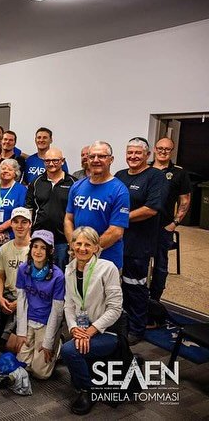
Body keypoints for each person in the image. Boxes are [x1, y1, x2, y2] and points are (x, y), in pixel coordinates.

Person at [61, 226, 123, 415]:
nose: (82, 248)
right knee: (69, 345)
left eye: (88, 244)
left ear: (96, 247)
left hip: (108, 330)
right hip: (83, 326)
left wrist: (91, 331)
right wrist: (74, 329)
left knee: (69, 350)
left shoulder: (108, 268)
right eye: (78, 243)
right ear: (72, 246)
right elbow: (69, 305)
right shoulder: (69, 269)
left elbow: (115, 309)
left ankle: (88, 390)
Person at [115, 137, 166, 345]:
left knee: (135, 286)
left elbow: (151, 209)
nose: (133, 156)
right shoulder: (119, 175)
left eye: (138, 153)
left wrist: (121, 218)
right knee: (117, 286)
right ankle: (121, 324)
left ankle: (137, 328)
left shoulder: (155, 176)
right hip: (117, 241)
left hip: (139, 244)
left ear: (147, 155)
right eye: (130, 152)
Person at [64, 141, 130, 270]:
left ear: (111, 160)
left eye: (101, 156)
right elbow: (68, 219)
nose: (96, 160)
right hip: (78, 257)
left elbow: (116, 231)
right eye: (92, 156)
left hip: (106, 260)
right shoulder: (77, 186)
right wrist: (75, 246)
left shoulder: (119, 191)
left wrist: (88, 250)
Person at [13, 230, 65, 379]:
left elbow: (57, 311)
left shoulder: (58, 276)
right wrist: (21, 332)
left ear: (50, 251)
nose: (38, 251)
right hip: (29, 319)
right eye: (35, 246)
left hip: (46, 322)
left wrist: (48, 342)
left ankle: (57, 342)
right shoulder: (23, 269)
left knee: (41, 374)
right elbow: (21, 301)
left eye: (43, 248)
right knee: (22, 364)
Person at [150, 137, 191, 301]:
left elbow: (185, 200)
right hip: (143, 226)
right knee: (138, 262)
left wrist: (174, 223)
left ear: (171, 151)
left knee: (160, 265)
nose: (163, 151)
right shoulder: (145, 169)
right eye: (160, 148)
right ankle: (137, 297)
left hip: (164, 226)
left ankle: (155, 300)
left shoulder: (179, 173)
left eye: (167, 149)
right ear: (154, 149)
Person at [25, 147, 77, 271]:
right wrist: (28, 236)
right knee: (38, 274)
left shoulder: (74, 183)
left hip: (62, 240)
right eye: (47, 161)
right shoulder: (36, 182)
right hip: (39, 239)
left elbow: (76, 213)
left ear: (62, 161)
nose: (51, 164)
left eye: (55, 160)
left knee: (60, 275)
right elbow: (29, 210)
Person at [0, 207, 32, 350]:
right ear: (11, 224)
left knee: (12, 345)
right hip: (7, 296)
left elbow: (39, 284)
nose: (20, 226)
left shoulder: (36, 249)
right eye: (16, 222)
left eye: (24, 222)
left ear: (30, 224)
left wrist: (20, 302)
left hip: (28, 297)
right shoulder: (4, 248)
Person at [0, 159, 27, 277]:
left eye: (9, 169)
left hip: (11, 236)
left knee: (9, 271)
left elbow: (20, 213)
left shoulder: (21, 190)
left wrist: (2, 227)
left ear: (15, 173)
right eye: (3, 168)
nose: (6, 171)